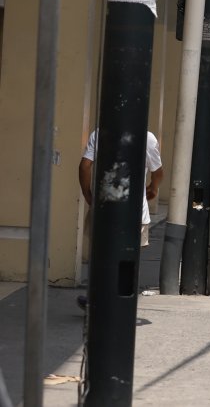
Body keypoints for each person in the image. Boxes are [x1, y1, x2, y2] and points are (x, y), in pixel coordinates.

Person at [78, 129, 163, 309]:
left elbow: (85, 165)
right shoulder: (147, 138)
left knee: (100, 254)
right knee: (129, 258)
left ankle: (97, 296)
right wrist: (153, 188)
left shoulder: (100, 133)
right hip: (135, 212)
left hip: (104, 208)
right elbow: (158, 171)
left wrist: (88, 195)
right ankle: (123, 299)